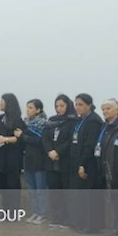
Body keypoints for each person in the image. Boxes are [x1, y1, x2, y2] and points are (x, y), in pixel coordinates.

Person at [66, 94, 103, 233]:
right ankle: (79, 222)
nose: (77, 107)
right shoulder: (79, 120)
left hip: (87, 164)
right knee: (78, 195)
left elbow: (90, 145)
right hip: (76, 162)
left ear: (89, 105)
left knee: (88, 196)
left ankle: (90, 225)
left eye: (81, 104)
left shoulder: (93, 121)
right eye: (76, 104)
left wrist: (83, 164)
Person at [42, 95, 78, 228]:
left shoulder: (73, 121)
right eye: (57, 106)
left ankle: (67, 219)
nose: (59, 108)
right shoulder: (51, 121)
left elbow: (70, 141)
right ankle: (57, 217)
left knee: (66, 192)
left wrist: (58, 152)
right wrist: (50, 151)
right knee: (54, 192)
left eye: (62, 106)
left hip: (65, 161)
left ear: (68, 106)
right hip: (51, 161)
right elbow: (45, 138)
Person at [96, 99, 118, 236]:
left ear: (117, 110)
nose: (105, 111)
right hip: (105, 167)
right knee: (112, 202)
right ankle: (115, 229)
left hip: (116, 170)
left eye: (108, 108)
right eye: (103, 109)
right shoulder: (105, 126)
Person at [19, 99, 48, 224]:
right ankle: (35, 212)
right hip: (28, 160)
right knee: (31, 189)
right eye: (27, 107)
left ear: (38, 110)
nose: (28, 110)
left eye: (31, 107)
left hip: (39, 160)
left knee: (40, 189)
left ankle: (42, 213)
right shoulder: (25, 124)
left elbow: (39, 141)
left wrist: (23, 136)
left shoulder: (43, 124)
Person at [0, 93, 25, 212]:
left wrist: (6, 139)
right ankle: (6, 207)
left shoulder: (17, 120)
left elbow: (19, 139)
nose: (0, 103)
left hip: (13, 157)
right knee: (2, 183)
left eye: (2, 101)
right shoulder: (0, 118)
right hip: (1, 156)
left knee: (12, 183)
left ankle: (13, 209)